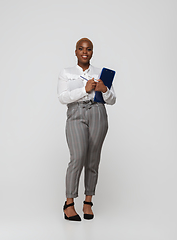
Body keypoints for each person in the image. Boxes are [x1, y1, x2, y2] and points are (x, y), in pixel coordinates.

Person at [57, 38, 116, 221]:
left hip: (98, 111)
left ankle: (88, 202)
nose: (85, 52)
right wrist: (85, 88)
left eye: (88, 49)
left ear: (92, 52)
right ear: (75, 51)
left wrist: (104, 89)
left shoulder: (100, 72)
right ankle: (69, 204)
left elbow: (112, 99)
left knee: (93, 158)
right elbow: (62, 97)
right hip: (76, 113)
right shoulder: (66, 73)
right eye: (81, 49)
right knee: (78, 156)